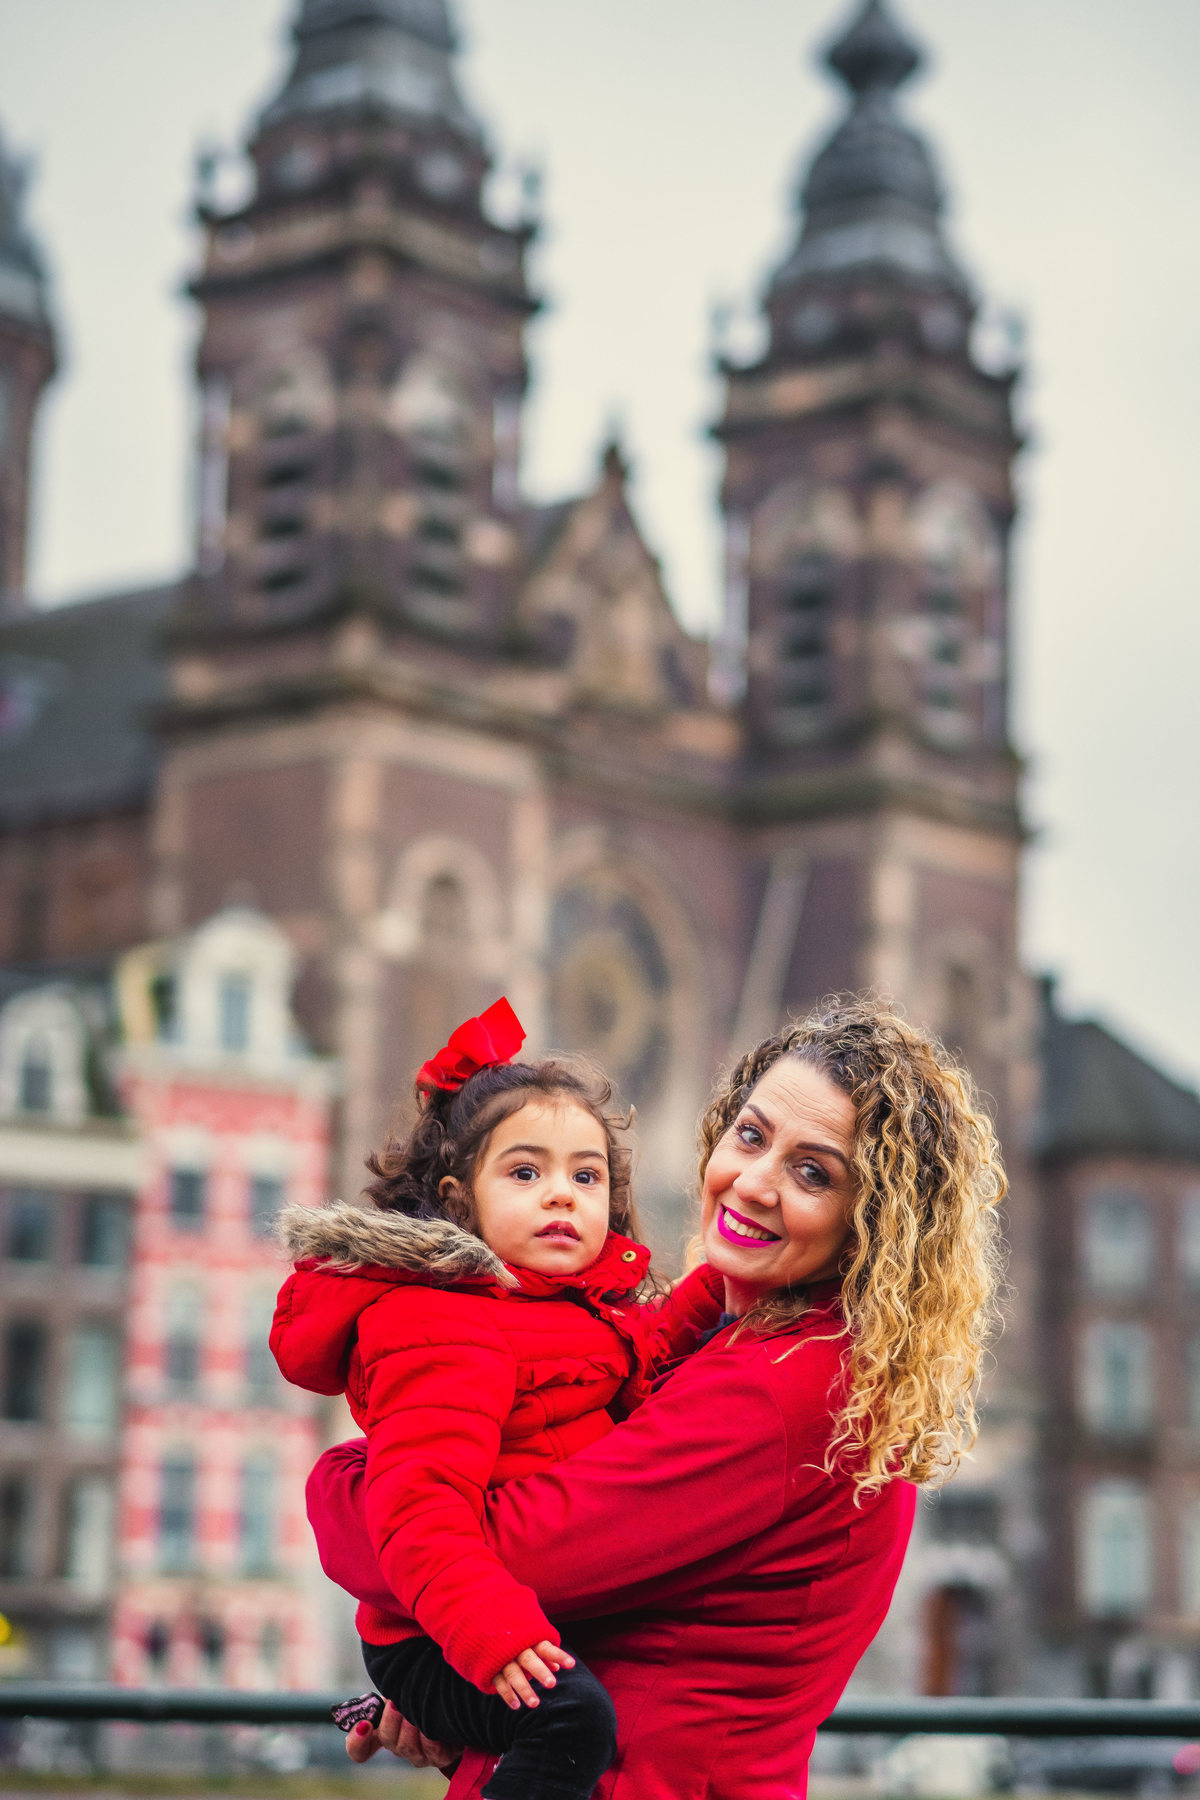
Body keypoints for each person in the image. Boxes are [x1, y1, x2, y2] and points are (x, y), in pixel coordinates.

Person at [307, 997, 1005, 1800]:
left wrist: (338, 1481)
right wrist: (457, 1698)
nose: (754, 1181)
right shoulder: (749, 1338)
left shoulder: (788, 1387)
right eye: (750, 1135)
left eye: (813, 1172)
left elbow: (502, 1552)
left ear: (873, 1220)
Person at [270, 998, 724, 1800]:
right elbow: (417, 1511)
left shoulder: (572, 1314)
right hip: (432, 1632)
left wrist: (725, 1277)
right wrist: (492, 1637)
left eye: (585, 1175)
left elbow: (652, 1352)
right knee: (571, 1718)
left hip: (476, 1612)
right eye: (526, 1172)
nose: (562, 1195)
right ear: (458, 1199)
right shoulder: (442, 1325)